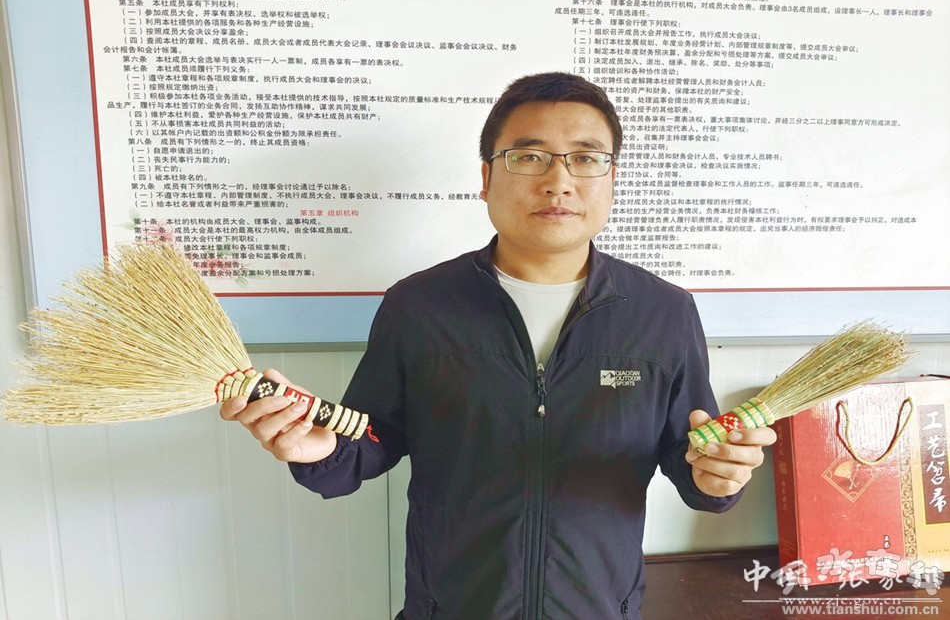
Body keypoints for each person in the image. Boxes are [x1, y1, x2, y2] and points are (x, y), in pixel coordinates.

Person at [220, 72, 777, 620]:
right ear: (486, 177)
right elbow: (369, 439)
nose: (558, 181)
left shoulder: (663, 312)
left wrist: (717, 476)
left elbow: (691, 456)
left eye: (585, 158)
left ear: (612, 178)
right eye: (529, 156)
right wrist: (321, 450)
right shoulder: (420, 305)